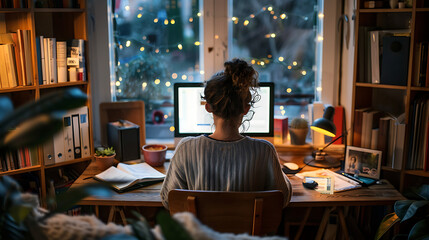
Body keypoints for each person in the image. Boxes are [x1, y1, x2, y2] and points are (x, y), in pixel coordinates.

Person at [160, 58, 292, 209]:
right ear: (245, 109)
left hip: (200, 233)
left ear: (208, 107)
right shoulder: (265, 151)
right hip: (247, 233)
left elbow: (168, 200)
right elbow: (283, 198)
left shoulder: (185, 148)